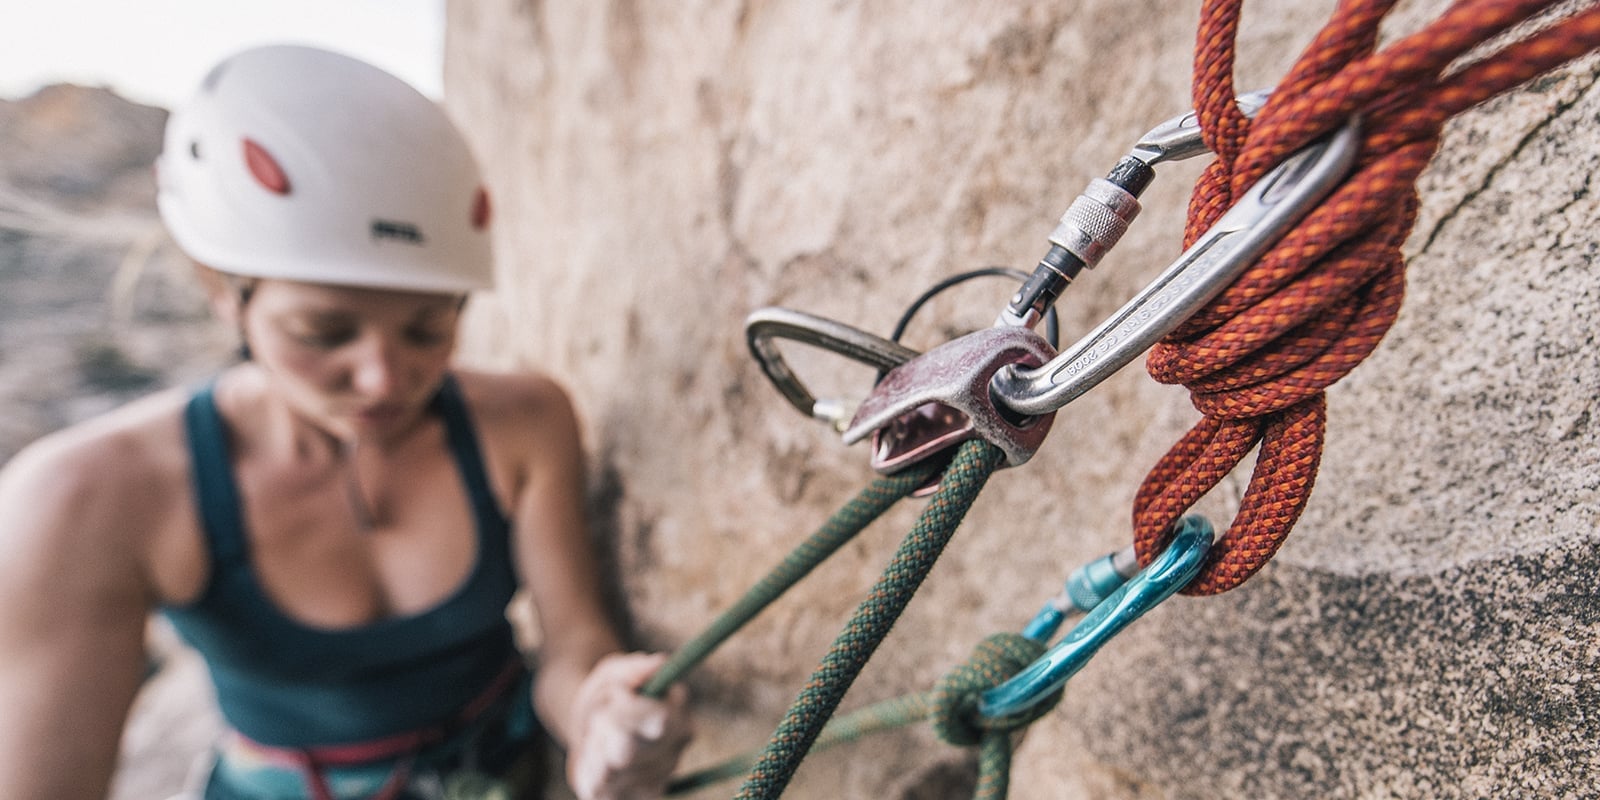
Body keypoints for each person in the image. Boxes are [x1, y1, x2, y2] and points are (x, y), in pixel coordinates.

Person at [0, 44, 690, 800]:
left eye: (430, 328)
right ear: (221, 289)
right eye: (324, 332)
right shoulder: (85, 499)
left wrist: (596, 713)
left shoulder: (521, 421)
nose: (384, 380)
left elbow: (573, 641)